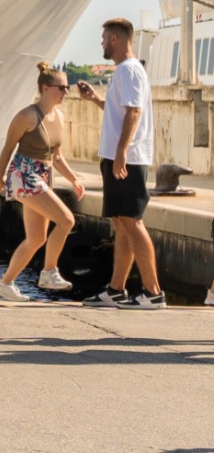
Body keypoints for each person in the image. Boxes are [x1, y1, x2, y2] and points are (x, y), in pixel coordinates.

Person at [76, 18, 163, 308]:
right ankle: (116, 289)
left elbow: (134, 112)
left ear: (115, 39)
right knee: (121, 222)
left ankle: (153, 292)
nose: (101, 42)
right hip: (119, 156)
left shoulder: (129, 70)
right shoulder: (125, 72)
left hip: (127, 158)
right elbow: (121, 110)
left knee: (132, 222)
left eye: (103, 38)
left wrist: (122, 152)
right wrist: (96, 100)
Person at [0, 63, 84, 301]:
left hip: (43, 175)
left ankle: (5, 284)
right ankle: (49, 272)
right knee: (66, 220)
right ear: (45, 88)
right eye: (61, 87)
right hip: (23, 174)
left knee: (37, 239)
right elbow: (8, 148)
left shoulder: (60, 117)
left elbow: (57, 157)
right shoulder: (26, 116)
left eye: (67, 87)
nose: (66, 92)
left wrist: (74, 180)